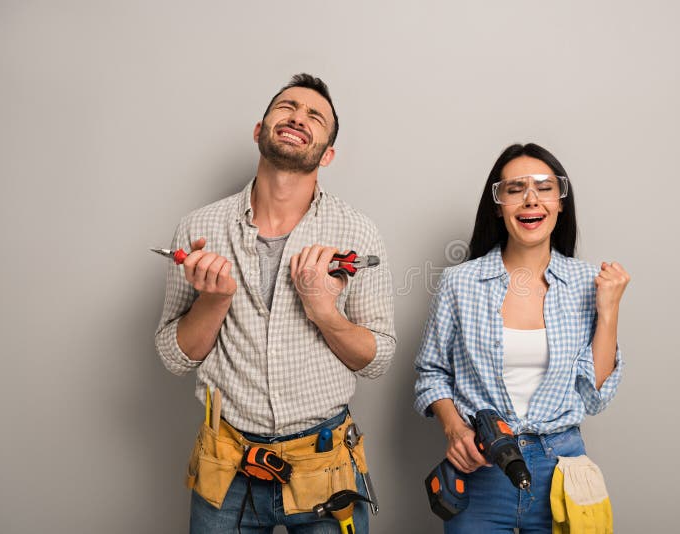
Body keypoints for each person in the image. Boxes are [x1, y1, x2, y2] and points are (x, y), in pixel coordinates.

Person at [155, 73, 396, 533]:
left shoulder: (358, 232)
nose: (298, 117)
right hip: (227, 468)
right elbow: (174, 357)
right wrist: (213, 300)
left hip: (325, 465)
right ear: (259, 129)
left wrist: (323, 310)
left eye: (314, 116)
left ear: (327, 154)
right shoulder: (198, 229)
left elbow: (378, 359)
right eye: (287, 107)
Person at [414, 143, 629, 533]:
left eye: (544, 188)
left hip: (563, 473)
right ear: (498, 206)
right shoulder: (459, 283)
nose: (531, 199)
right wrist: (455, 429)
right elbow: (432, 373)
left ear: (560, 203)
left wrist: (609, 311)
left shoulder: (588, 282)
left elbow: (594, 395)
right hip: (482, 469)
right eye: (515, 190)